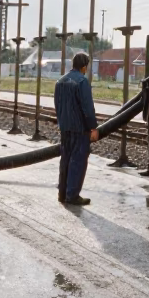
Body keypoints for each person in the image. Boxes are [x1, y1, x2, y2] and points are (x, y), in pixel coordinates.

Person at [54, 52, 99, 206]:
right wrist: (93, 127)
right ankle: (72, 195)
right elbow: (87, 108)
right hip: (80, 129)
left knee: (65, 160)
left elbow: (57, 106)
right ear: (84, 67)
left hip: (65, 128)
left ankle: (62, 193)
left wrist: (62, 123)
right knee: (77, 161)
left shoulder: (60, 81)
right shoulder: (82, 82)